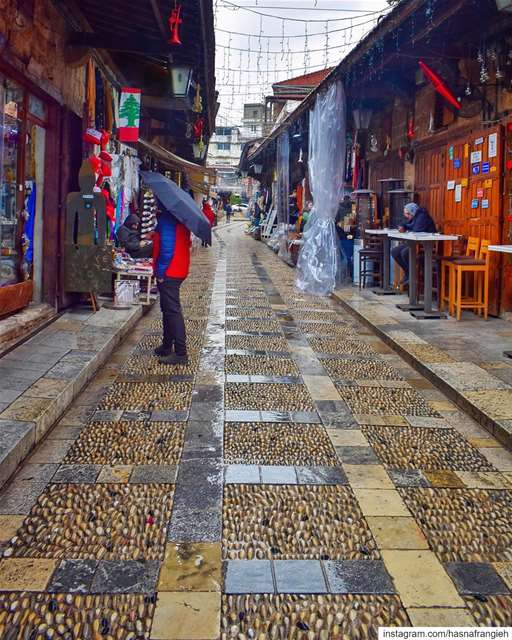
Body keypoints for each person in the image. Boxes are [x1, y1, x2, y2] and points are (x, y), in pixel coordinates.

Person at [152, 209, 191, 366]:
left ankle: (181, 353)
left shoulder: (167, 220)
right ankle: (167, 345)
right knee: (167, 308)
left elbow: (167, 250)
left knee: (172, 310)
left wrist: (160, 272)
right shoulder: (181, 217)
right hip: (179, 267)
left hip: (170, 270)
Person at [391, 202, 436, 285]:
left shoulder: (422, 216)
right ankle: (408, 273)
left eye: (407, 214)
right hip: (415, 243)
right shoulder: (414, 216)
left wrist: (407, 227)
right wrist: (403, 227)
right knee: (395, 252)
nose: (407, 216)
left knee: (405, 253)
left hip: (424, 245)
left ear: (412, 212)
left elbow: (416, 229)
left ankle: (412, 274)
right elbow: (406, 224)